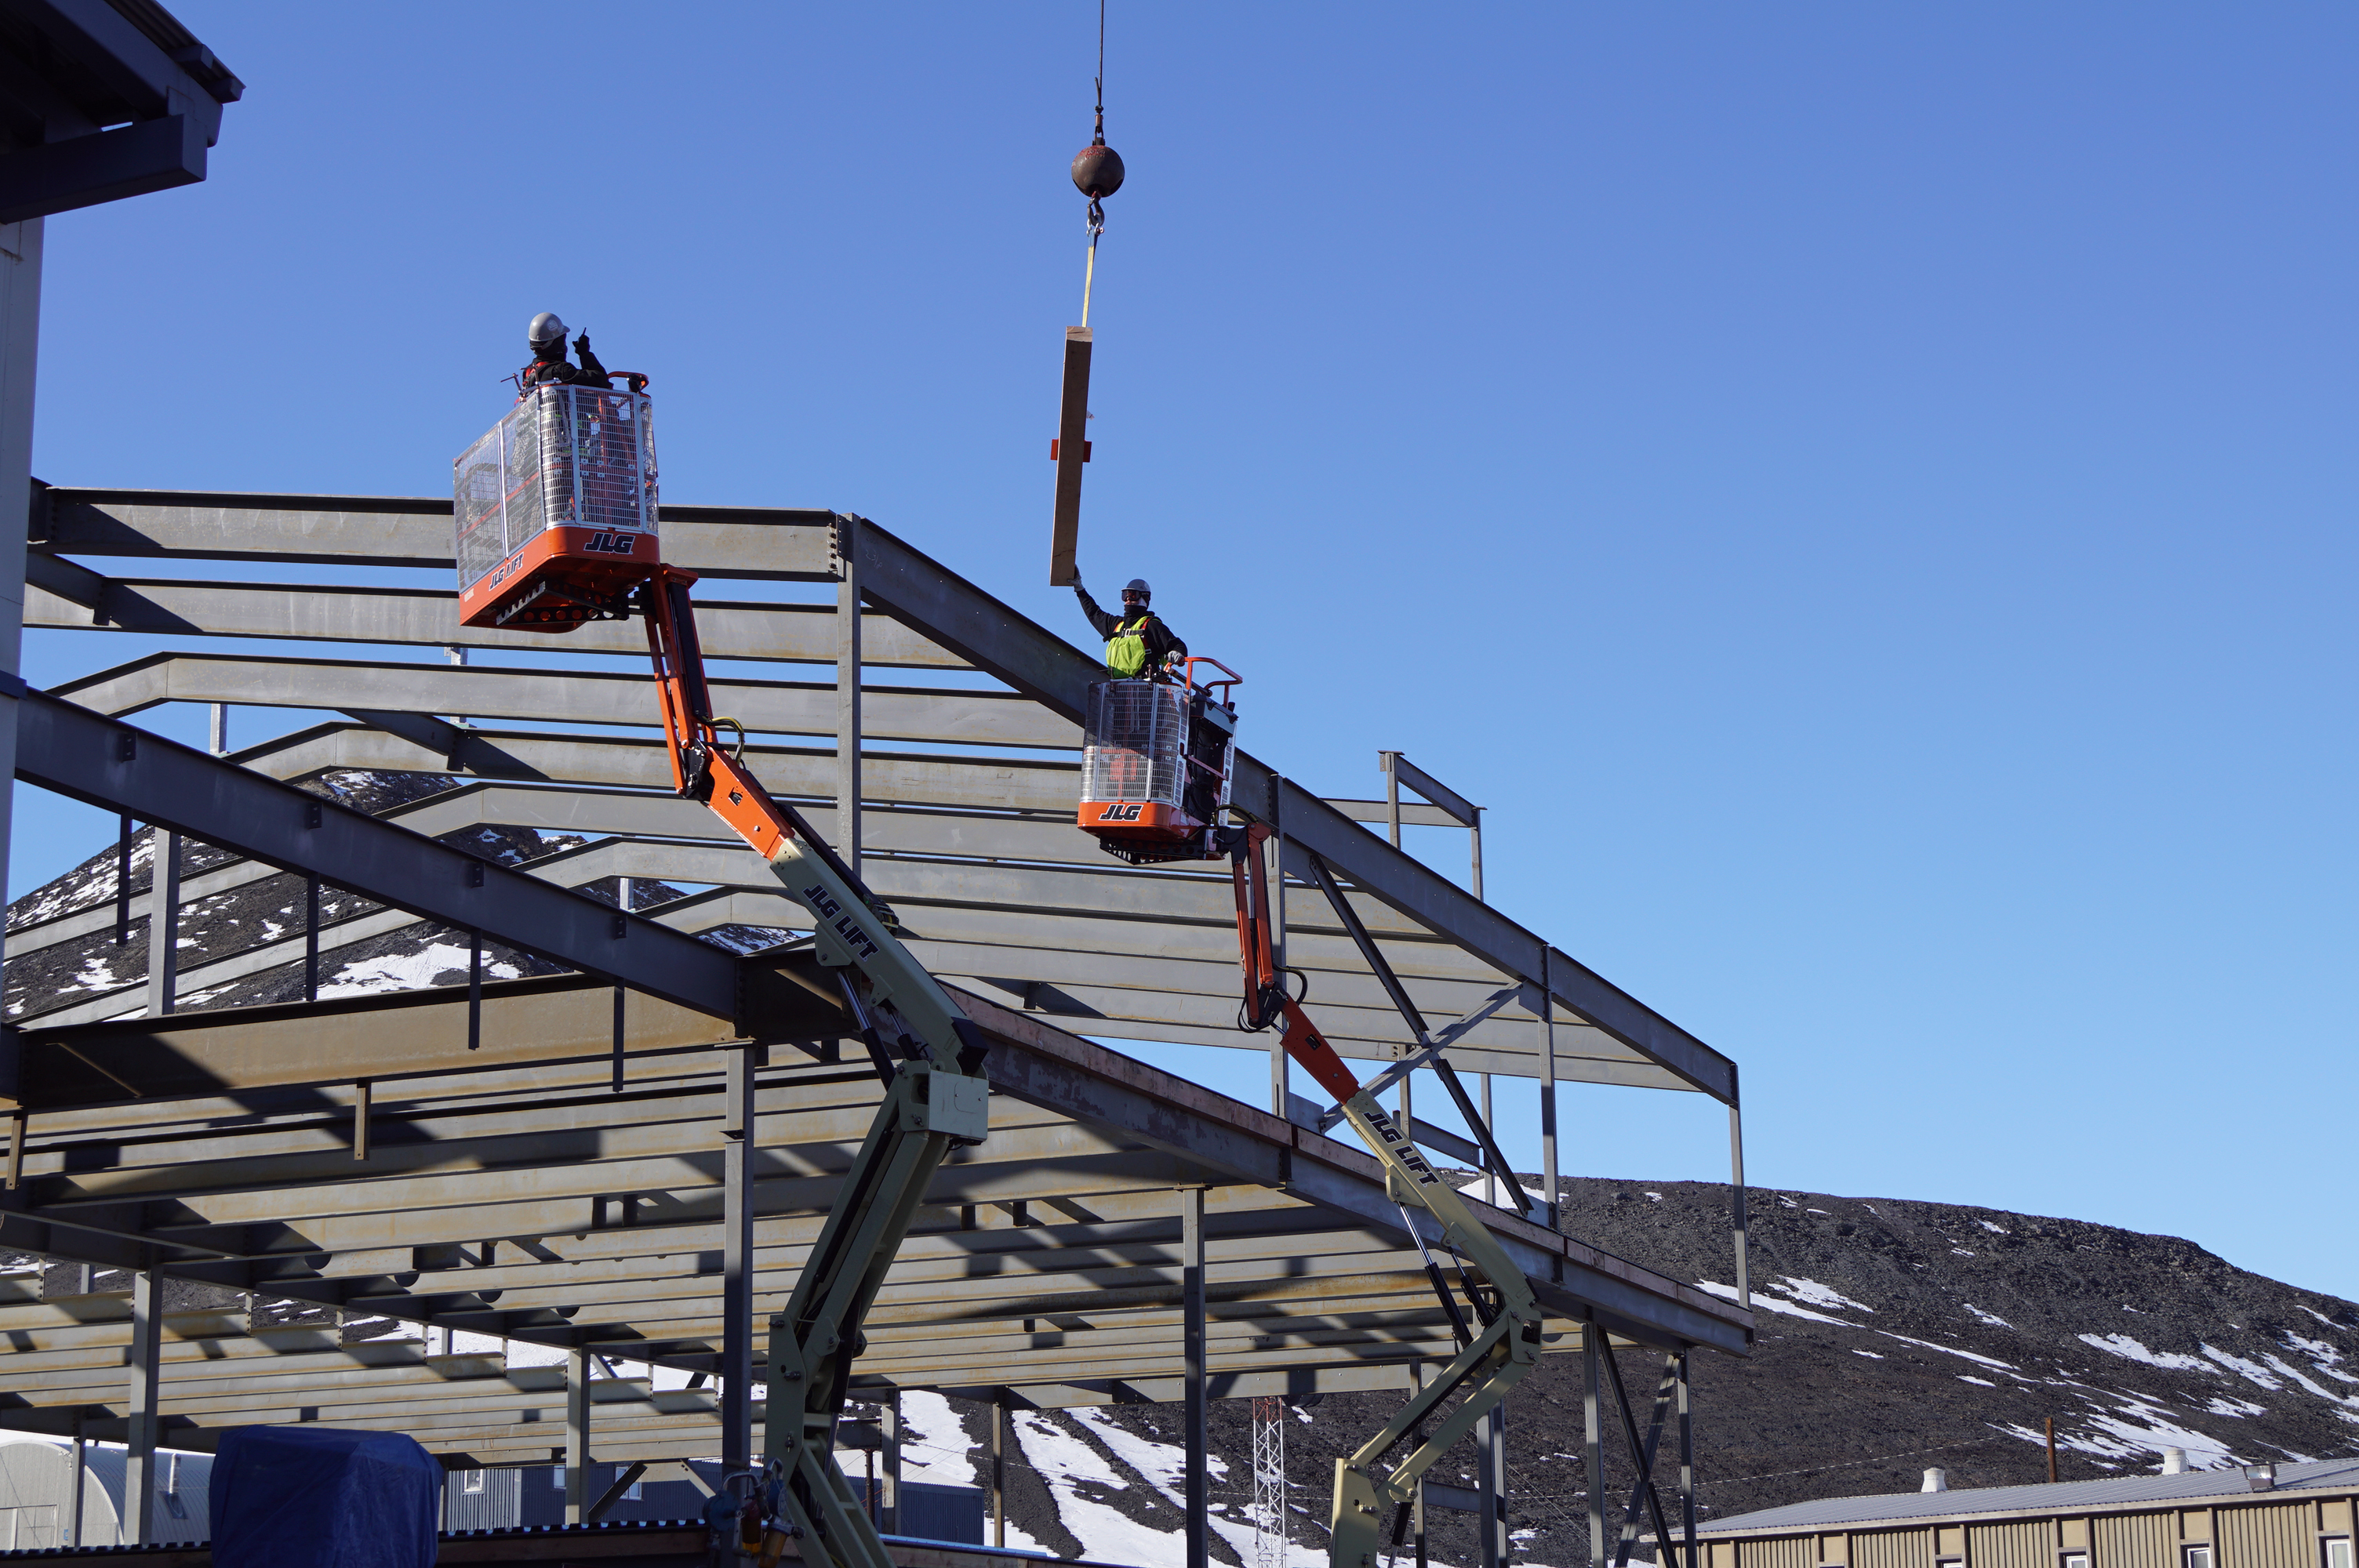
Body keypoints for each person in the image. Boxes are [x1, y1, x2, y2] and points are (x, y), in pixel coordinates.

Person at [1074, 572, 1186, 680]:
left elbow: (1177, 645)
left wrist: (1178, 653)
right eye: (1125, 595)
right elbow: (1094, 613)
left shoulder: (1151, 626)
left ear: (1144, 598)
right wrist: (1080, 589)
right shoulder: (1117, 625)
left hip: (1145, 690)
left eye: (1132, 595)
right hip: (1118, 690)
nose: (1127, 599)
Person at [516, 310, 612, 397]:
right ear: (557, 343)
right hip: (564, 415)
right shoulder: (561, 371)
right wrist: (584, 353)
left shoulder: (529, 372)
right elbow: (600, 380)